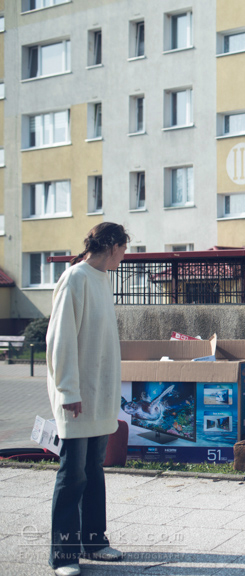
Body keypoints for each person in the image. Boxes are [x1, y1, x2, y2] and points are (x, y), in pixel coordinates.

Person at [46, 223, 130, 576]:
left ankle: (94, 540)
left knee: (94, 470)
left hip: (99, 394)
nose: (125, 256)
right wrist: (68, 391)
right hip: (78, 396)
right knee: (72, 473)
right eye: (124, 248)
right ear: (111, 245)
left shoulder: (101, 279)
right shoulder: (75, 278)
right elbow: (60, 338)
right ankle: (63, 555)